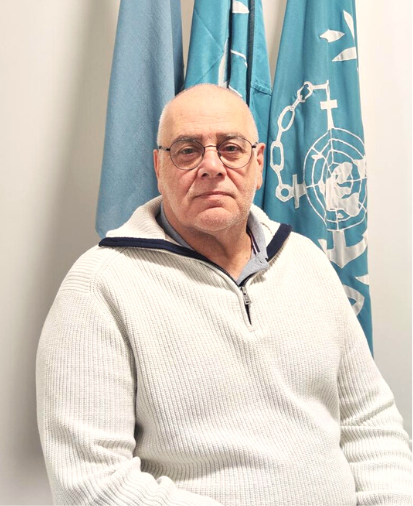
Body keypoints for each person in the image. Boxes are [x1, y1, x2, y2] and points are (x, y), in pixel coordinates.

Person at [36, 84, 412, 506]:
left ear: (259, 162)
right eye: (188, 150)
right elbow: (91, 483)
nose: (212, 166)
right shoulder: (98, 287)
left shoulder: (306, 261)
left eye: (231, 148)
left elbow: (370, 421)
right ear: (159, 166)